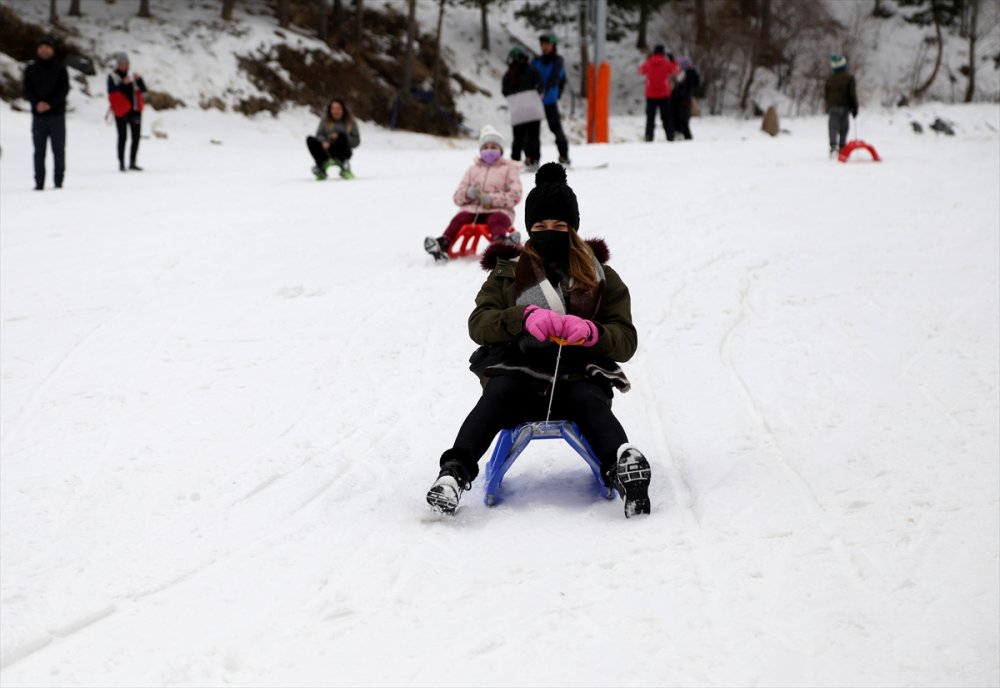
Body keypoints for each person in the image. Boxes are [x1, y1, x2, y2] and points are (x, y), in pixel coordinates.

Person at [425, 163, 652, 518]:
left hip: (579, 375)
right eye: (541, 226)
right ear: (529, 228)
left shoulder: (601, 276)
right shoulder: (507, 272)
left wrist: (593, 333)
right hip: (520, 375)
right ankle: (453, 474)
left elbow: (626, 340)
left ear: (573, 228)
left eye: (560, 226)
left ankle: (623, 468)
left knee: (590, 401)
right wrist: (522, 318)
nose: (550, 233)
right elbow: (479, 324)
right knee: (497, 395)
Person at [424, 125, 523, 262]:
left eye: (493, 147)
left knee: (497, 220)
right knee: (460, 218)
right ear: (480, 150)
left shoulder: (509, 169)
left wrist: (492, 199)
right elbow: (457, 197)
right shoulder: (473, 170)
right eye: (485, 147)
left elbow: (516, 194)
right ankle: (442, 244)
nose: (489, 150)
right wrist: (468, 194)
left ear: (500, 151)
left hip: (499, 210)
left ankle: (502, 243)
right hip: (473, 210)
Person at [22, 36, 69, 190]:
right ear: (37, 49)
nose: (44, 49)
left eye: (47, 47)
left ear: (52, 50)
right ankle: (39, 182)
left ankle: (58, 181)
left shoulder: (60, 69)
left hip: (57, 116)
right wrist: (37, 103)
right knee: (38, 151)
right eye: (41, 47)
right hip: (38, 117)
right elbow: (26, 90)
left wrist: (50, 104)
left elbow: (63, 90)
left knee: (58, 150)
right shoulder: (31, 69)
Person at [501, 46, 543, 172]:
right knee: (531, 136)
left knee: (520, 137)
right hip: (531, 110)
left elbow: (504, 91)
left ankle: (516, 162)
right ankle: (531, 160)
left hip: (519, 110)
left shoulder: (510, 73)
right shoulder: (530, 70)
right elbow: (541, 86)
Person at [530, 34, 570, 165]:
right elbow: (529, 76)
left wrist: (547, 89)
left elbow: (556, 77)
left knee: (556, 128)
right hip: (536, 101)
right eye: (543, 44)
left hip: (550, 100)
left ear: (553, 46)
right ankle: (534, 159)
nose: (545, 47)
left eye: (547, 44)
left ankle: (564, 156)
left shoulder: (558, 61)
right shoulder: (536, 61)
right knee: (533, 132)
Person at [107, 52, 147, 171]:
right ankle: (121, 163)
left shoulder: (132, 75)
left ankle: (133, 162)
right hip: (121, 111)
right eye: (122, 63)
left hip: (135, 110)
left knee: (136, 137)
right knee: (122, 137)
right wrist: (122, 84)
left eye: (126, 63)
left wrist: (139, 80)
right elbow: (111, 92)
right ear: (118, 64)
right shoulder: (113, 76)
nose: (124, 65)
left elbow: (143, 89)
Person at [306, 98, 361, 179]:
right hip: (327, 150)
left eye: (338, 108)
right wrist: (324, 141)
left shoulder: (350, 122)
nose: (336, 111)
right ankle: (320, 167)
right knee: (310, 139)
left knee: (341, 136)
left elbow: (356, 141)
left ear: (343, 110)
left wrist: (340, 137)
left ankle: (344, 165)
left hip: (343, 151)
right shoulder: (325, 120)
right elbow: (319, 135)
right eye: (333, 108)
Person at [638, 45, 681, 142]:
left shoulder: (649, 63)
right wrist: (672, 60)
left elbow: (641, 70)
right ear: (663, 53)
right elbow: (677, 70)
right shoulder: (666, 63)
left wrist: (648, 59)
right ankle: (670, 136)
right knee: (666, 117)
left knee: (650, 118)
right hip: (664, 95)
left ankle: (649, 136)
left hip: (650, 95)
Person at [825, 54, 858, 157]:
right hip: (845, 107)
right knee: (844, 128)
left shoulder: (830, 78)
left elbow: (826, 94)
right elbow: (852, 94)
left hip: (833, 107)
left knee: (833, 127)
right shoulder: (849, 78)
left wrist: (828, 105)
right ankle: (842, 147)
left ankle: (833, 146)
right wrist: (855, 107)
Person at [671, 56, 700, 141]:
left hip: (684, 100)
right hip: (683, 99)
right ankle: (682, 135)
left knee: (683, 119)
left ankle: (687, 137)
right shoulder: (686, 73)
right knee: (681, 118)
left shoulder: (689, 73)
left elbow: (685, 87)